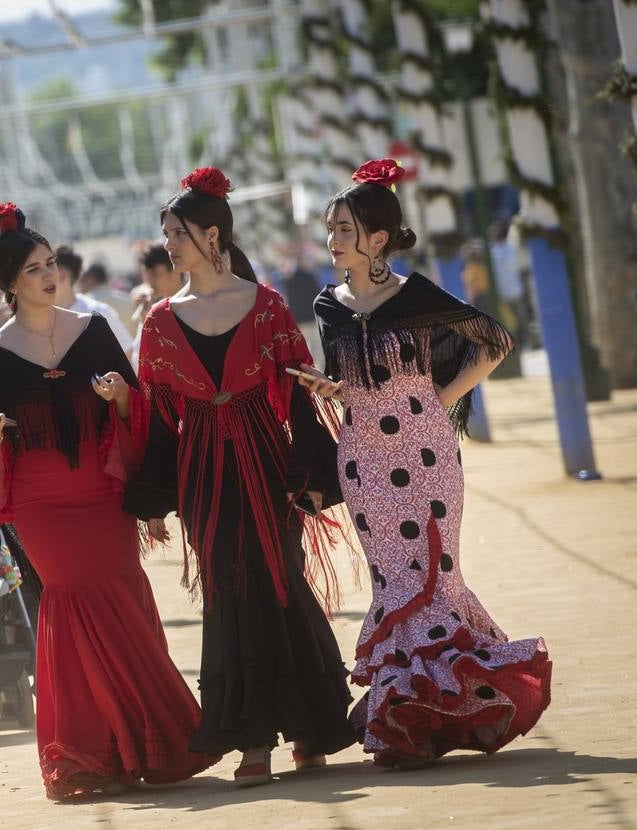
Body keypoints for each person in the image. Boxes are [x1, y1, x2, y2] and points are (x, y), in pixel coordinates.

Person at [0, 202, 217, 801]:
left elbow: (135, 415)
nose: (50, 276)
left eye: (51, 264)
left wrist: (123, 400)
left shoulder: (94, 330)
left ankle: (153, 740)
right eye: (34, 269)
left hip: (102, 493)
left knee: (123, 593)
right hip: (39, 502)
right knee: (70, 602)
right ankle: (91, 754)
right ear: (10, 282)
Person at [305, 158, 551, 769]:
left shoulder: (414, 294)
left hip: (424, 455)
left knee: (435, 575)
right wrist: (332, 389)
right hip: (361, 457)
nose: (332, 240)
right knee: (392, 579)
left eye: (343, 229)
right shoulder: (328, 306)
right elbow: (348, 374)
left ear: (377, 238)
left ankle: (436, 706)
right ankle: (409, 709)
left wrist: (439, 401)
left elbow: (495, 341)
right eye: (331, 229)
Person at [126, 167, 356, 786]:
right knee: (226, 590)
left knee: (282, 578)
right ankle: (253, 741)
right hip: (202, 473)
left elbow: (301, 397)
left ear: (212, 236)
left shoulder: (268, 306)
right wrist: (152, 498)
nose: (168, 245)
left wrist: (310, 473)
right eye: (167, 234)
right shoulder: (159, 323)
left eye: (177, 233)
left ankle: (311, 729)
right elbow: (156, 420)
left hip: (266, 463)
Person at [53, 245, 136, 357]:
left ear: (63, 276)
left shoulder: (98, 311)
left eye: (49, 268)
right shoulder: (39, 316)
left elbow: (127, 351)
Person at [77, 260, 134, 333]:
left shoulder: (85, 305)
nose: (79, 285)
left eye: (81, 279)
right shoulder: (126, 298)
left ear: (90, 279)